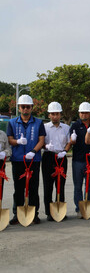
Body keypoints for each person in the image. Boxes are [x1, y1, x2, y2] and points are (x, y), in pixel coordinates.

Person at [7, 94, 46, 225]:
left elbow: (42, 140)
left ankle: (34, 214)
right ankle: (17, 214)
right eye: (23, 107)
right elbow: (9, 140)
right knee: (18, 188)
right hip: (18, 160)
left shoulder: (39, 122)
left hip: (33, 160)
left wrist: (34, 151)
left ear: (31, 108)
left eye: (27, 107)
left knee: (33, 188)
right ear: (19, 108)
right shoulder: (12, 123)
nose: (25, 109)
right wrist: (17, 141)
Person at [42, 102, 70, 221]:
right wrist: (46, 146)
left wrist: (65, 151)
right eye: (52, 114)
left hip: (61, 156)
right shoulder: (44, 127)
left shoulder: (66, 128)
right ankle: (49, 212)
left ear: (60, 114)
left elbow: (69, 142)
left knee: (61, 184)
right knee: (48, 185)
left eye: (57, 114)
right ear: (49, 115)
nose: (55, 116)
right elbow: (41, 141)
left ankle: (60, 210)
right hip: (49, 156)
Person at [69, 102, 90, 218]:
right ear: (79, 113)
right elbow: (71, 141)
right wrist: (72, 140)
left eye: (86, 113)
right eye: (82, 112)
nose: (84, 115)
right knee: (78, 185)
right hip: (78, 160)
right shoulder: (74, 125)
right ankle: (79, 208)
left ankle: (88, 206)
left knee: (89, 185)